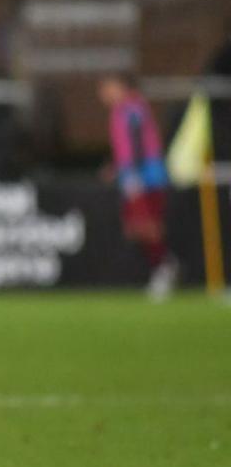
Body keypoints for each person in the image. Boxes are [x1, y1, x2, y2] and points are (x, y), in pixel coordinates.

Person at [98, 73, 177, 299]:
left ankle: (165, 267)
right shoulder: (124, 109)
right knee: (136, 227)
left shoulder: (131, 107)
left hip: (145, 177)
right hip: (135, 173)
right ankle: (163, 266)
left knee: (147, 225)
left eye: (107, 87)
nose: (103, 94)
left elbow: (136, 143)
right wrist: (117, 167)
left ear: (120, 86)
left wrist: (133, 173)